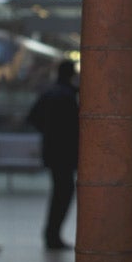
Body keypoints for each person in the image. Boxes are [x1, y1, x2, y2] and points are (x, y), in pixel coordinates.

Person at [28, 59, 79, 250]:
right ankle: (53, 235)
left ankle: (52, 234)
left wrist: (49, 132)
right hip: (66, 152)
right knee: (63, 193)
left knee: (59, 191)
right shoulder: (68, 96)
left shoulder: (50, 93)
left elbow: (32, 117)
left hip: (52, 150)